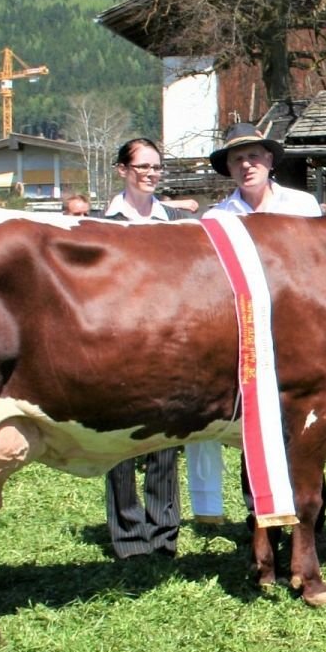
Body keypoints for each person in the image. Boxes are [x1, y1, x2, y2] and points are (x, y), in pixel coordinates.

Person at [187, 123, 323, 534]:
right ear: (229, 168)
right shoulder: (216, 218)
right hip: (246, 339)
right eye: (237, 159)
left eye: (254, 156)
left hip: (300, 337)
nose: (247, 165)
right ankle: (261, 523)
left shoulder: (302, 206)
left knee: (306, 429)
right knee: (257, 429)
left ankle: (311, 528)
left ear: (270, 161)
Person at [96, 137, 195, 558]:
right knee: (120, 442)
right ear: (123, 170)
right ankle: (128, 536)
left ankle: (163, 531)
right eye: (143, 167)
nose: (151, 174)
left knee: (164, 441)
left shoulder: (176, 221)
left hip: (167, 341)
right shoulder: (103, 223)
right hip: (118, 341)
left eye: (157, 167)